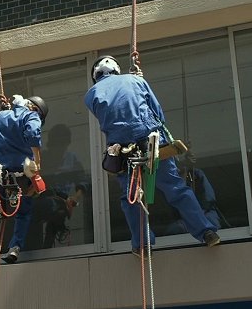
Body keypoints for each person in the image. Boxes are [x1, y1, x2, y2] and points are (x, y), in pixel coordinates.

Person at [83, 55, 220, 257]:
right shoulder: (136, 80)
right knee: (176, 188)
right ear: (116, 69)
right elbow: (157, 112)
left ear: (95, 76)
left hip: (122, 149)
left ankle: (142, 244)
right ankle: (206, 231)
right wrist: (137, 79)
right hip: (151, 139)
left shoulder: (90, 95)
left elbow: (109, 115)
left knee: (131, 197)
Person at [0, 94, 48, 267]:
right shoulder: (31, 115)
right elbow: (33, 134)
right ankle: (15, 247)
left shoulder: (0, 116)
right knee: (23, 213)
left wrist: (5, 115)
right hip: (21, 176)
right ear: (36, 109)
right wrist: (37, 161)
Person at [165, 151, 222, 235]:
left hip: (205, 214)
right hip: (183, 220)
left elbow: (208, 199)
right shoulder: (172, 181)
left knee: (213, 226)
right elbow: (172, 205)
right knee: (173, 230)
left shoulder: (196, 174)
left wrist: (198, 214)